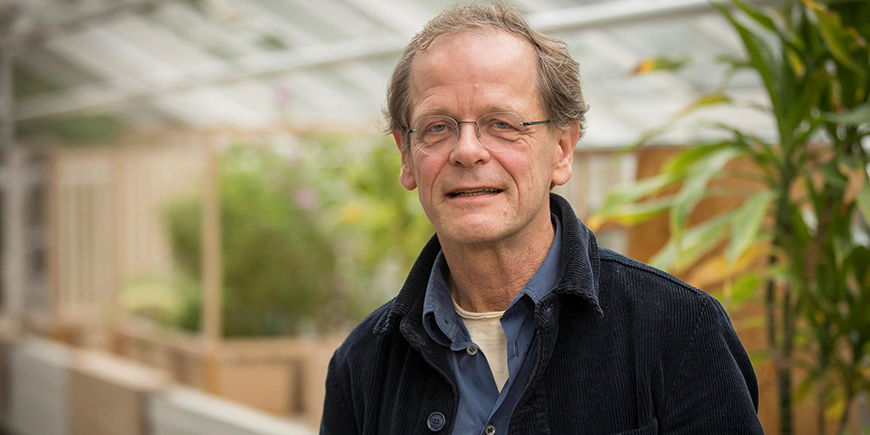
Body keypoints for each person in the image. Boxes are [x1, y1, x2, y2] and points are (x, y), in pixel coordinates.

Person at [321, 2, 763, 434]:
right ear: (406, 156)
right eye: (438, 126)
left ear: (562, 150)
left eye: (502, 124)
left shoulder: (678, 330)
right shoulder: (361, 365)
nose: (468, 150)